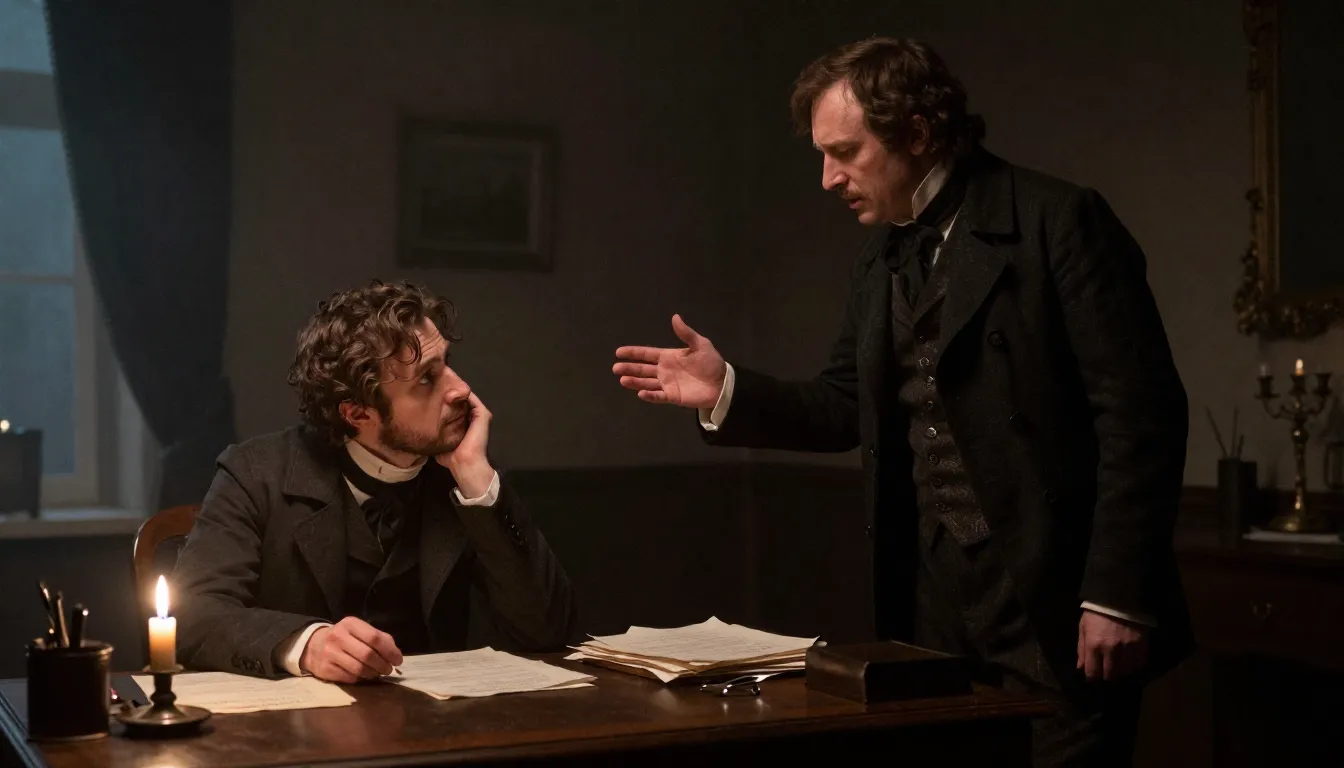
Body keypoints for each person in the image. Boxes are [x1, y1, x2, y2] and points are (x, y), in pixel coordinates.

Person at [612, 37, 1190, 767]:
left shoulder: (1058, 220)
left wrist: (1115, 596)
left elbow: (1140, 417)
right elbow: (841, 405)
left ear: (916, 133)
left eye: (845, 153)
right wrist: (726, 388)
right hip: (933, 606)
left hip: (1054, 603)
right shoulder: (880, 258)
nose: (828, 178)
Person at [173, 279, 576, 683]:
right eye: (426, 379)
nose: (460, 389)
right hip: (297, 718)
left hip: (437, 716)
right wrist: (306, 644)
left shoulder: (462, 476)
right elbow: (193, 615)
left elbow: (548, 631)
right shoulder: (256, 472)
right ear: (358, 414)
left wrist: (478, 482)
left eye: (447, 364)